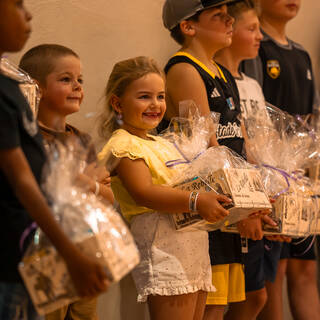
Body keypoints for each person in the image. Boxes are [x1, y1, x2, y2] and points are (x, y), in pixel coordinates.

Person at [97, 56, 232, 320]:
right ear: (117, 103)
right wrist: (196, 200)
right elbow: (144, 192)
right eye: (144, 96)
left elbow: (194, 185)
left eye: (160, 96)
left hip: (193, 244)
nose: (155, 105)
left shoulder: (165, 143)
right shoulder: (123, 144)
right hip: (163, 246)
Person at [0, 1, 108, 319]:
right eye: (17, 4)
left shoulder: (9, 88)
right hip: (23, 253)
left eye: (80, 79)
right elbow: (25, 183)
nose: (28, 13)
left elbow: (106, 194)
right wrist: (69, 251)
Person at [162, 1, 250, 318]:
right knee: (209, 309)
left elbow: (239, 139)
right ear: (189, 26)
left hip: (228, 196)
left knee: (227, 303)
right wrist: (243, 206)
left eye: (229, 13)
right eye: (219, 15)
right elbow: (205, 148)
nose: (230, 20)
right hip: (208, 200)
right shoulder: (184, 69)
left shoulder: (221, 70)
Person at [19, 44, 114, 320]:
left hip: (86, 249)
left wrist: (85, 184)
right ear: (37, 88)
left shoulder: (81, 140)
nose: (77, 87)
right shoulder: (29, 139)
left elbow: (108, 198)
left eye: (79, 80)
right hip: (46, 252)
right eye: (65, 79)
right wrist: (86, 185)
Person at [241, 1, 320, 319]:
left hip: (299, 179)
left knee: (304, 268)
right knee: (275, 271)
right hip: (273, 177)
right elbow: (255, 119)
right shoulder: (256, 48)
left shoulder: (301, 53)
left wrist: (311, 175)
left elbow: (312, 118)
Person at [214, 1, 289, 319]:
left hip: (259, 196)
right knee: (242, 297)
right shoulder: (215, 79)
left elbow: (263, 144)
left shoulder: (253, 85)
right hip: (234, 199)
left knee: (259, 293)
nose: (259, 36)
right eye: (252, 28)